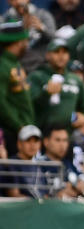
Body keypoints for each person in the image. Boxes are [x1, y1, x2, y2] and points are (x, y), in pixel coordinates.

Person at [28, 38, 84, 134]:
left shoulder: (75, 79)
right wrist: (46, 94)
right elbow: (29, 104)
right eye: (56, 52)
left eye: (65, 52)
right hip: (42, 132)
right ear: (48, 55)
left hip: (67, 135)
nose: (61, 56)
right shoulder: (37, 77)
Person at [0, 20, 33, 156]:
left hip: (23, 130)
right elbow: (1, 101)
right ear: (19, 42)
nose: (27, 44)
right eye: (25, 40)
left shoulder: (15, 63)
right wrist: (18, 125)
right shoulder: (3, 65)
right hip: (11, 133)